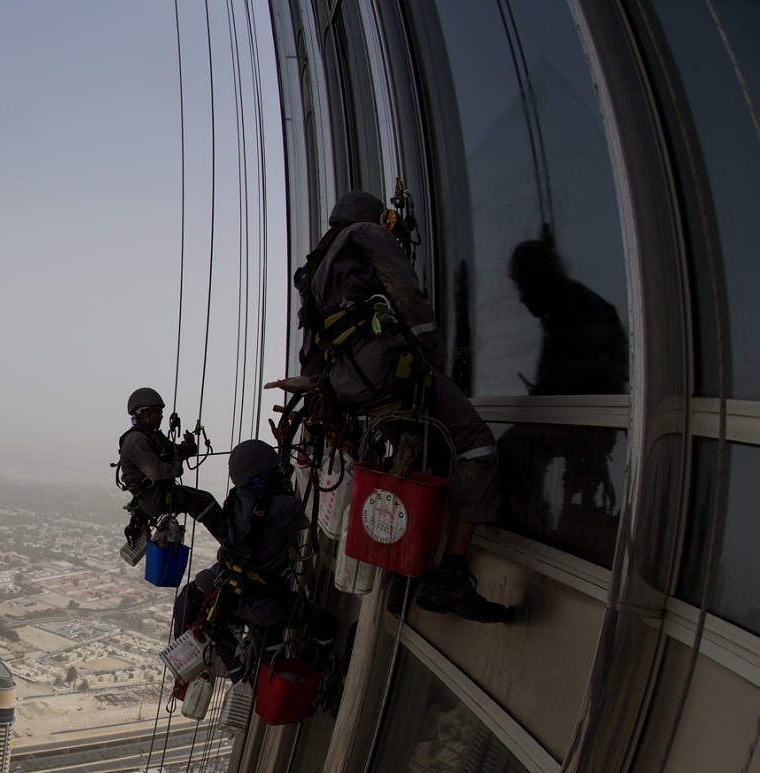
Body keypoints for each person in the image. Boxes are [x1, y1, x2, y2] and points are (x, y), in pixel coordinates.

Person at [295, 190, 510, 622]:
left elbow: (312, 353)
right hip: (392, 369)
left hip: (355, 388)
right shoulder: (367, 234)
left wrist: (321, 387)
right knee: (475, 446)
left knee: (415, 466)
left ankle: (403, 579)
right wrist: (433, 357)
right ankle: (450, 574)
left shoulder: (316, 270)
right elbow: (405, 293)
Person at [174, 439, 335, 681]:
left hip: (231, 599)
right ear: (262, 477)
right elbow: (315, 518)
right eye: (273, 471)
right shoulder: (282, 508)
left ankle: (237, 667)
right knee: (328, 626)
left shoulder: (236, 500)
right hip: (267, 606)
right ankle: (314, 671)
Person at [116, 387, 219, 525]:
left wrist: (189, 446)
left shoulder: (152, 436)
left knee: (203, 500)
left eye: (161, 412)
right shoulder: (136, 440)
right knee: (205, 502)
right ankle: (229, 542)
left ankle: (228, 540)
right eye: (156, 412)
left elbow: (173, 450)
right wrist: (177, 465)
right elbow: (156, 472)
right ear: (143, 413)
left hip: (158, 493)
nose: (160, 416)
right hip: (153, 498)